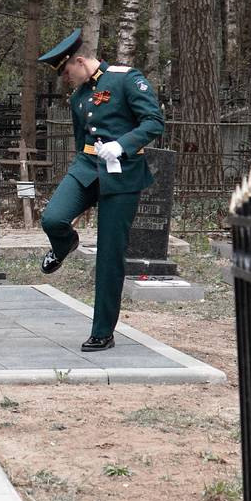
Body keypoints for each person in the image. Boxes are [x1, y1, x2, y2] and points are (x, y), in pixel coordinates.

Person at [36, 28, 165, 352]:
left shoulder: (125, 79)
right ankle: (64, 245)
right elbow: (82, 142)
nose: (66, 79)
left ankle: (102, 331)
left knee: (109, 255)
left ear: (80, 61)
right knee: (53, 218)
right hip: (87, 168)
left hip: (122, 176)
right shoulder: (78, 98)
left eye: (66, 72)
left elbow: (153, 122)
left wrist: (122, 145)